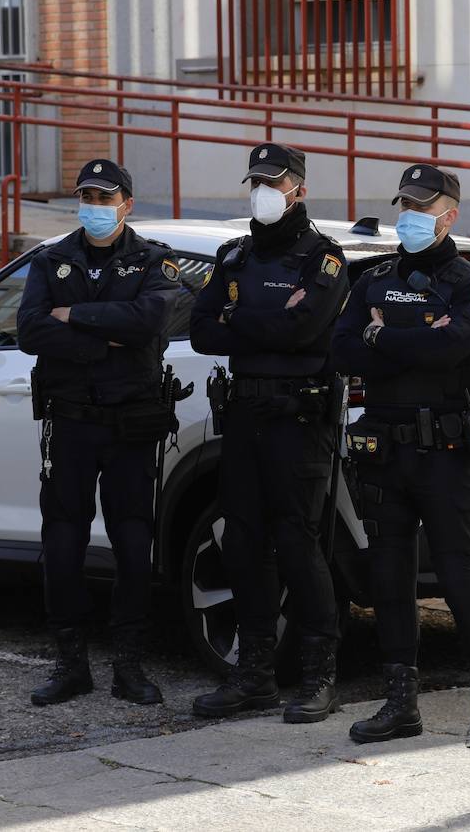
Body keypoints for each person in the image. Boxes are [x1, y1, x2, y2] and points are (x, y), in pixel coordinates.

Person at [333, 163, 470, 750]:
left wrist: (383, 337)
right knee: (389, 577)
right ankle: (399, 702)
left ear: (448, 215)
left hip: (444, 450)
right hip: (384, 451)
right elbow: (341, 350)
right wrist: (411, 336)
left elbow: (452, 346)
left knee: (460, 576)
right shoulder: (373, 281)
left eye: (421, 208)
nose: (408, 217)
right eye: (403, 206)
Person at [189, 143, 349, 724]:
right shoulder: (234, 258)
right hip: (245, 418)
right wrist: (265, 326)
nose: (263, 190)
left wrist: (241, 323)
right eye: (255, 180)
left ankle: (318, 677)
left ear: (298, 189)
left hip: (298, 421)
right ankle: (253, 675)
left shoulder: (324, 260)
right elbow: (203, 330)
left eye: (273, 181)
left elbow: (305, 332)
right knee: (243, 544)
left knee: (299, 545)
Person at [16, 159, 184, 707]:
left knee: (134, 542)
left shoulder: (154, 260)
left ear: (127, 205)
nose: (93, 205)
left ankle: (128, 665)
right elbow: (29, 329)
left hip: (131, 423)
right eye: (86, 195)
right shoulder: (52, 259)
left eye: (104, 197)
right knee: (62, 541)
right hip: (69, 423)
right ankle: (70, 664)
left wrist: (75, 317)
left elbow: (149, 323)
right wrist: (105, 336)